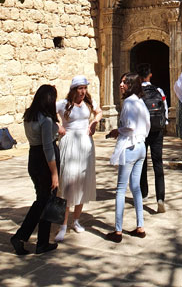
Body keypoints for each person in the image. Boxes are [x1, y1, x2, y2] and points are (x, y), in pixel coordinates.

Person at [10, 84, 60, 255]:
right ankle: (22, 236)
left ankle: (42, 242)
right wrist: (54, 173)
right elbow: (47, 147)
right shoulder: (45, 120)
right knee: (44, 202)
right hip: (46, 160)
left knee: (44, 200)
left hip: (34, 157)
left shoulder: (29, 116)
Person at [55, 75, 102, 242]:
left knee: (83, 180)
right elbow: (49, 115)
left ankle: (76, 220)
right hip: (69, 143)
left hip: (85, 143)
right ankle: (63, 224)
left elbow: (99, 112)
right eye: (80, 88)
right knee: (68, 182)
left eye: (85, 88)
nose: (83, 92)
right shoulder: (63, 104)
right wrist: (58, 125)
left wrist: (95, 121)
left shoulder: (88, 103)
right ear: (74, 89)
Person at [106, 73, 150, 242]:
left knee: (121, 189)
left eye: (125, 82)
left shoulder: (129, 102)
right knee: (136, 187)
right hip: (140, 147)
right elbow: (147, 125)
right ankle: (140, 226)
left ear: (131, 85)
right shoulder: (140, 102)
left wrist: (118, 131)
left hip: (130, 147)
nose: (121, 85)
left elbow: (129, 126)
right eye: (120, 81)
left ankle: (117, 231)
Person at [137, 63, 168, 214]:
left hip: (142, 132)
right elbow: (165, 107)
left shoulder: (137, 93)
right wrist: (165, 123)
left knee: (142, 162)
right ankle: (160, 198)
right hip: (157, 131)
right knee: (158, 164)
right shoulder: (158, 90)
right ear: (150, 75)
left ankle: (144, 193)